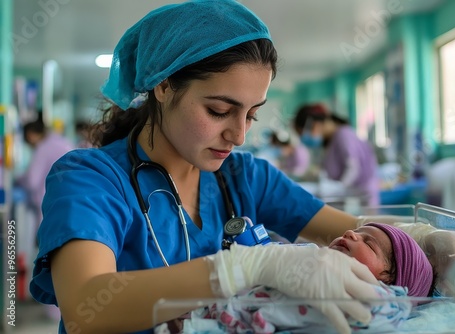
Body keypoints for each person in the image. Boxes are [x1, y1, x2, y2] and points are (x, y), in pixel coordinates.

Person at [30, 2, 392, 333]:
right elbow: (86, 307)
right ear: (164, 84)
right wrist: (241, 269)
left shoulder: (244, 177)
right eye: (219, 111)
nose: (238, 136)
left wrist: (429, 238)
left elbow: (361, 232)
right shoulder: (91, 178)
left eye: (252, 115)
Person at [164, 222, 433, 333]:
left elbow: (387, 311)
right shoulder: (309, 261)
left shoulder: (386, 302)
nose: (351, 233)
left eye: (368, 242)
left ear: (390, 283)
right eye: (356, 230)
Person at [293, 104, 380, 206]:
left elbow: (353, 168)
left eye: (303, 133)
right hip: (350, 200)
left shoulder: (343, 135)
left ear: (315, 125)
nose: (304, 138)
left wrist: (337, 188)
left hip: (361, 200)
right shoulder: (331, 141)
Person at [17, 116, 75, 225]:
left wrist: (18, 180)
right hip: (69, 200)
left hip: (50, 204)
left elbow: (32, 181)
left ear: (30, 135)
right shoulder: (62, 141)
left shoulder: (43, 148)